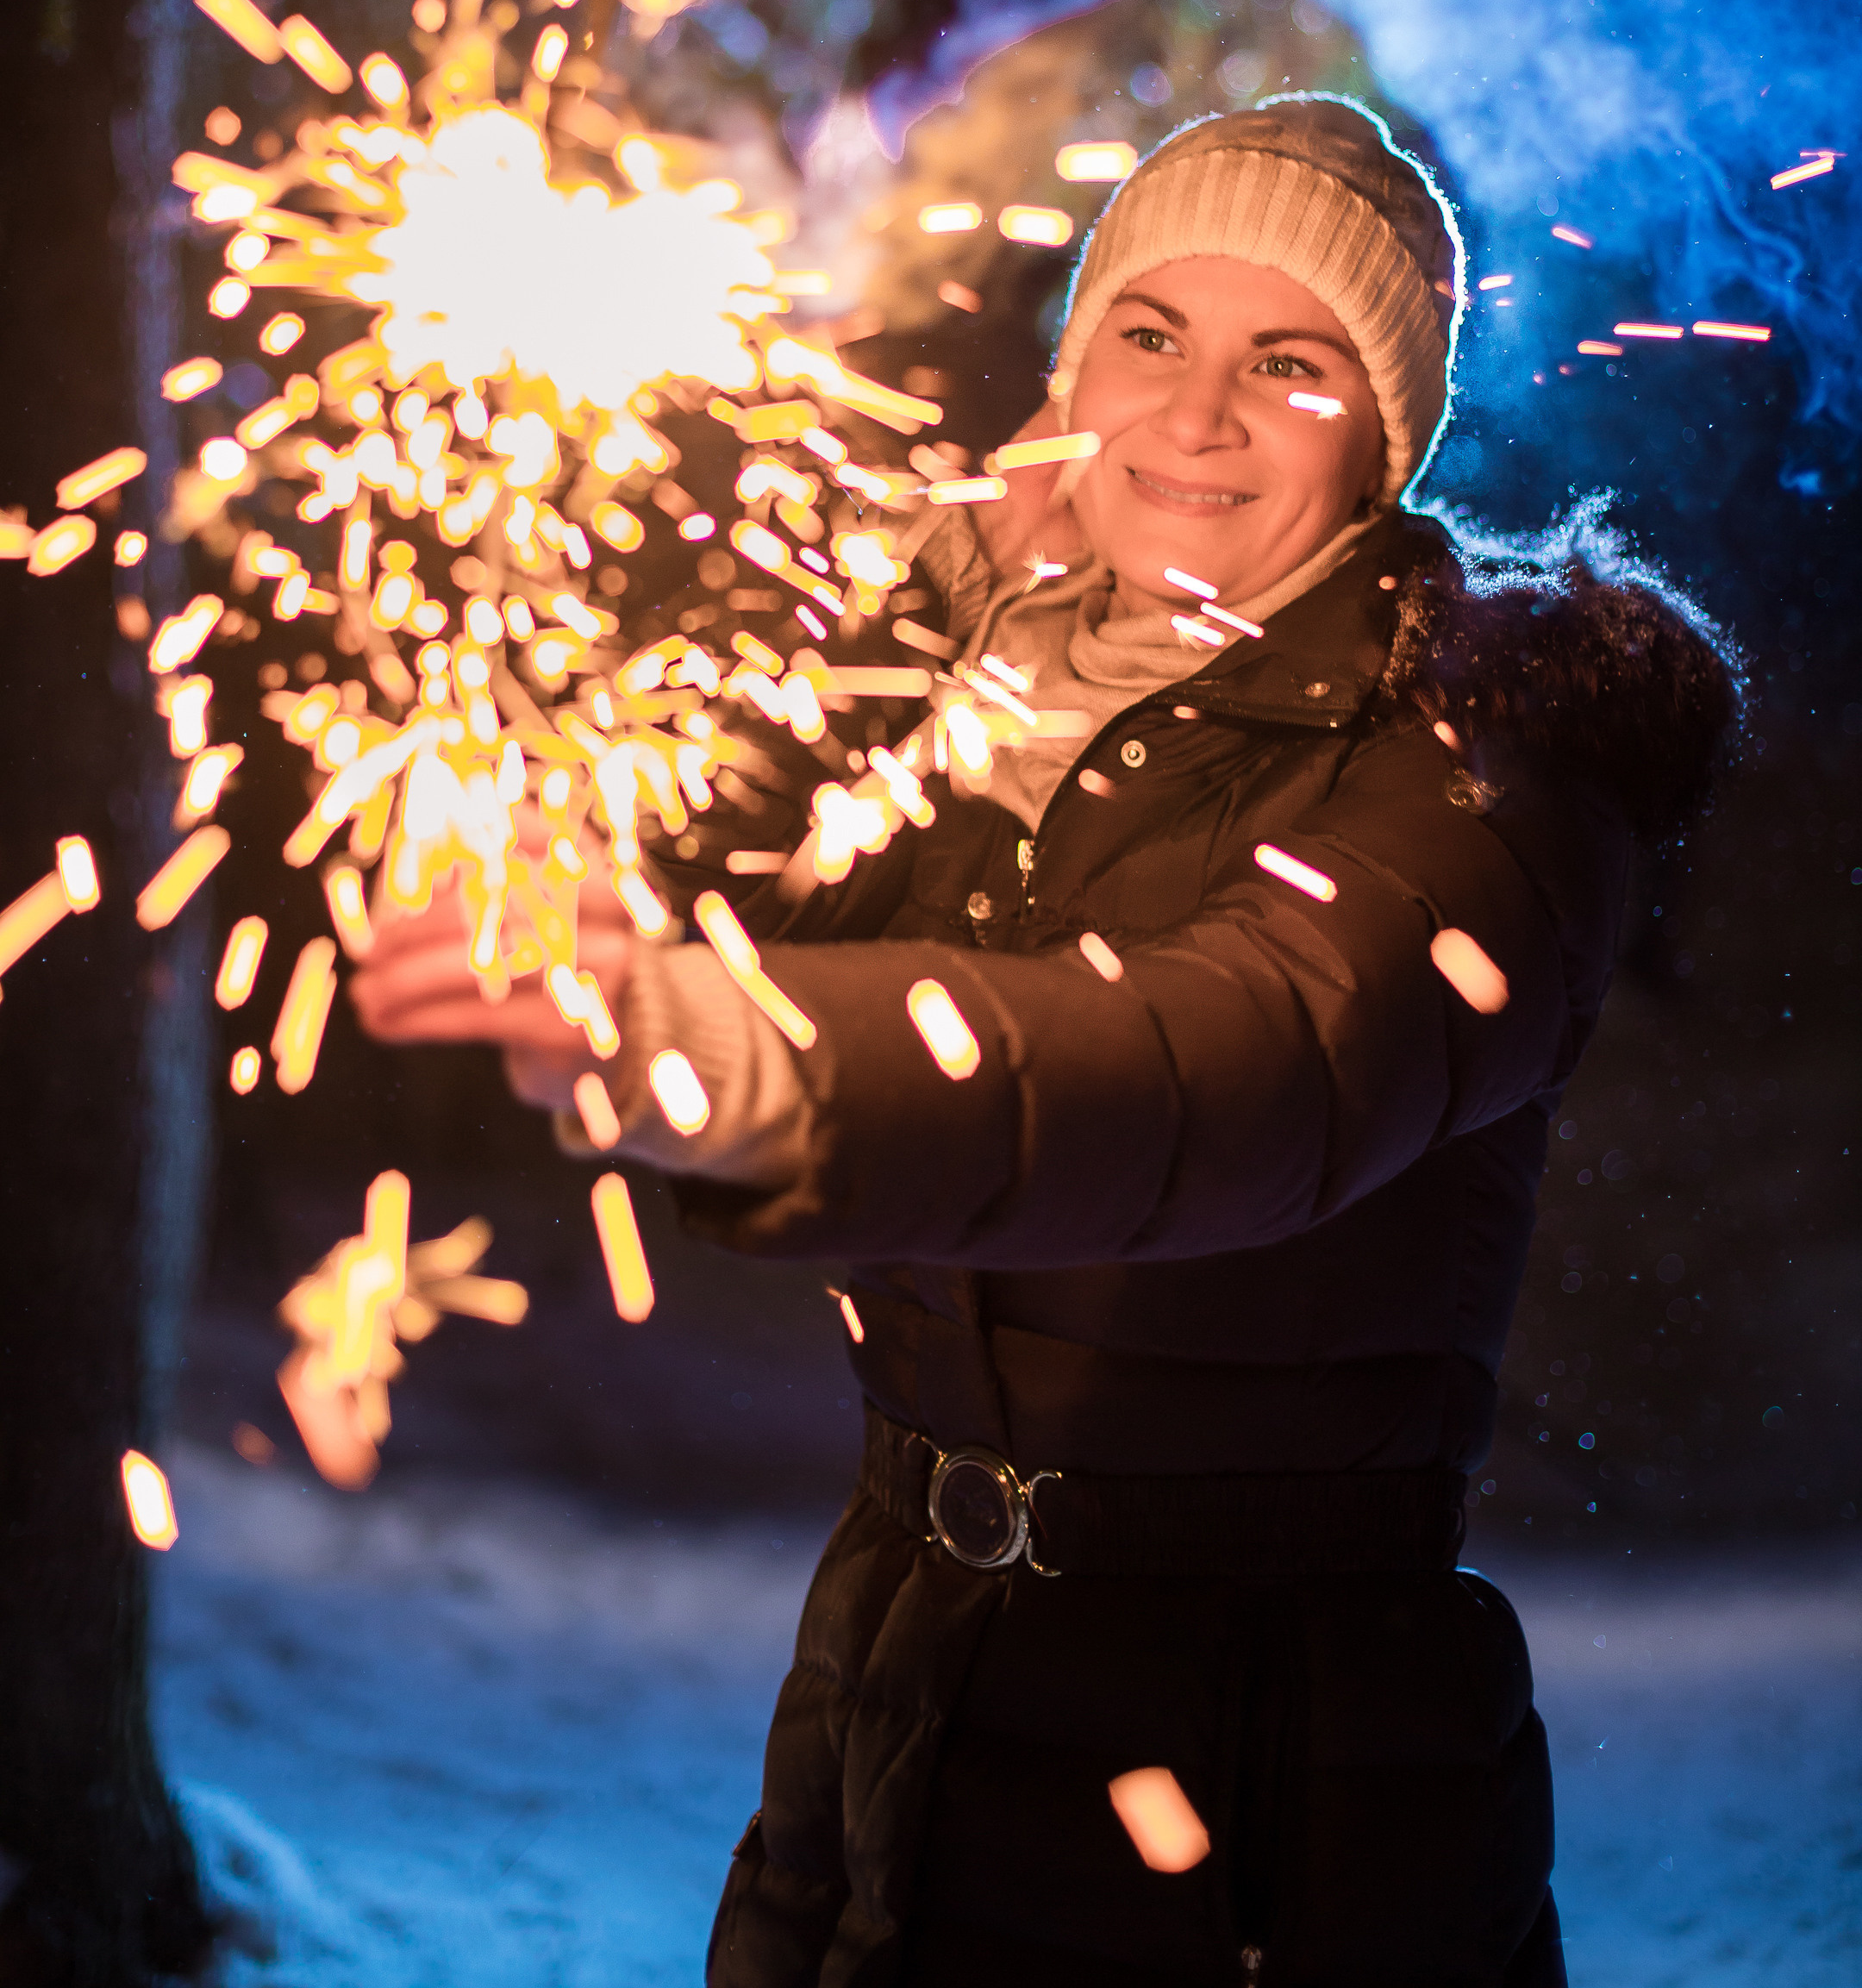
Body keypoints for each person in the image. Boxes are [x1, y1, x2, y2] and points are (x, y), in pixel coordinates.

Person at [355, 97, 1739, 1987]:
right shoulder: (975, 691)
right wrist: (902, 610)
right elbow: (718, 871)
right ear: (1071, 374)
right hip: (895, 1680)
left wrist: (734, 1043)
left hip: (1271, 1764)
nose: (1198, 415)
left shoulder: (1480, 758)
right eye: (1149, 334)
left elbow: (1230, 1064)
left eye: (1291, 364)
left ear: (1389, 437)